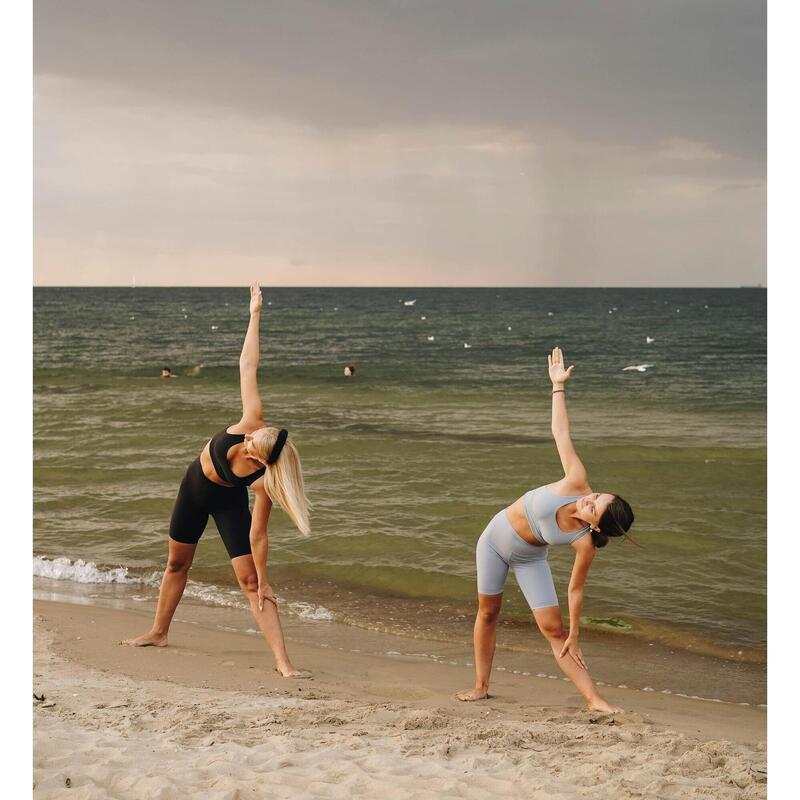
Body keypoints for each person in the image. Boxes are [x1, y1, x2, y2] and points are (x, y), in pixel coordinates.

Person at [124, 283, 311, 678]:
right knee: (177, 563)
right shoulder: (252, 421)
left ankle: (283, 662)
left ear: (261, 457)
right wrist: (255, 314)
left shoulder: (264, 481)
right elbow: (248, 365)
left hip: (227, 503)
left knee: (251, 582)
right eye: (249, 436)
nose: (246, 439)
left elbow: (259, 536)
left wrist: (263, 578)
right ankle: (158, 632)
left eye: (251, 444)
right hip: (193, 489)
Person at [456, 347, 635, 712]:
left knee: (555, 632)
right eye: (596, 495)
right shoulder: (577, 480)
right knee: (488, 613)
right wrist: (557, 387)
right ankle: (480, 686)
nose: (588, 499)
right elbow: (560, 431)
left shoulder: (585, 543)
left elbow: (575, 589)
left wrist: (576, 631)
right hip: (493, 540)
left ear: (597, 524)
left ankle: (595, 700)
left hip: (528, 558)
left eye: (594, 506)